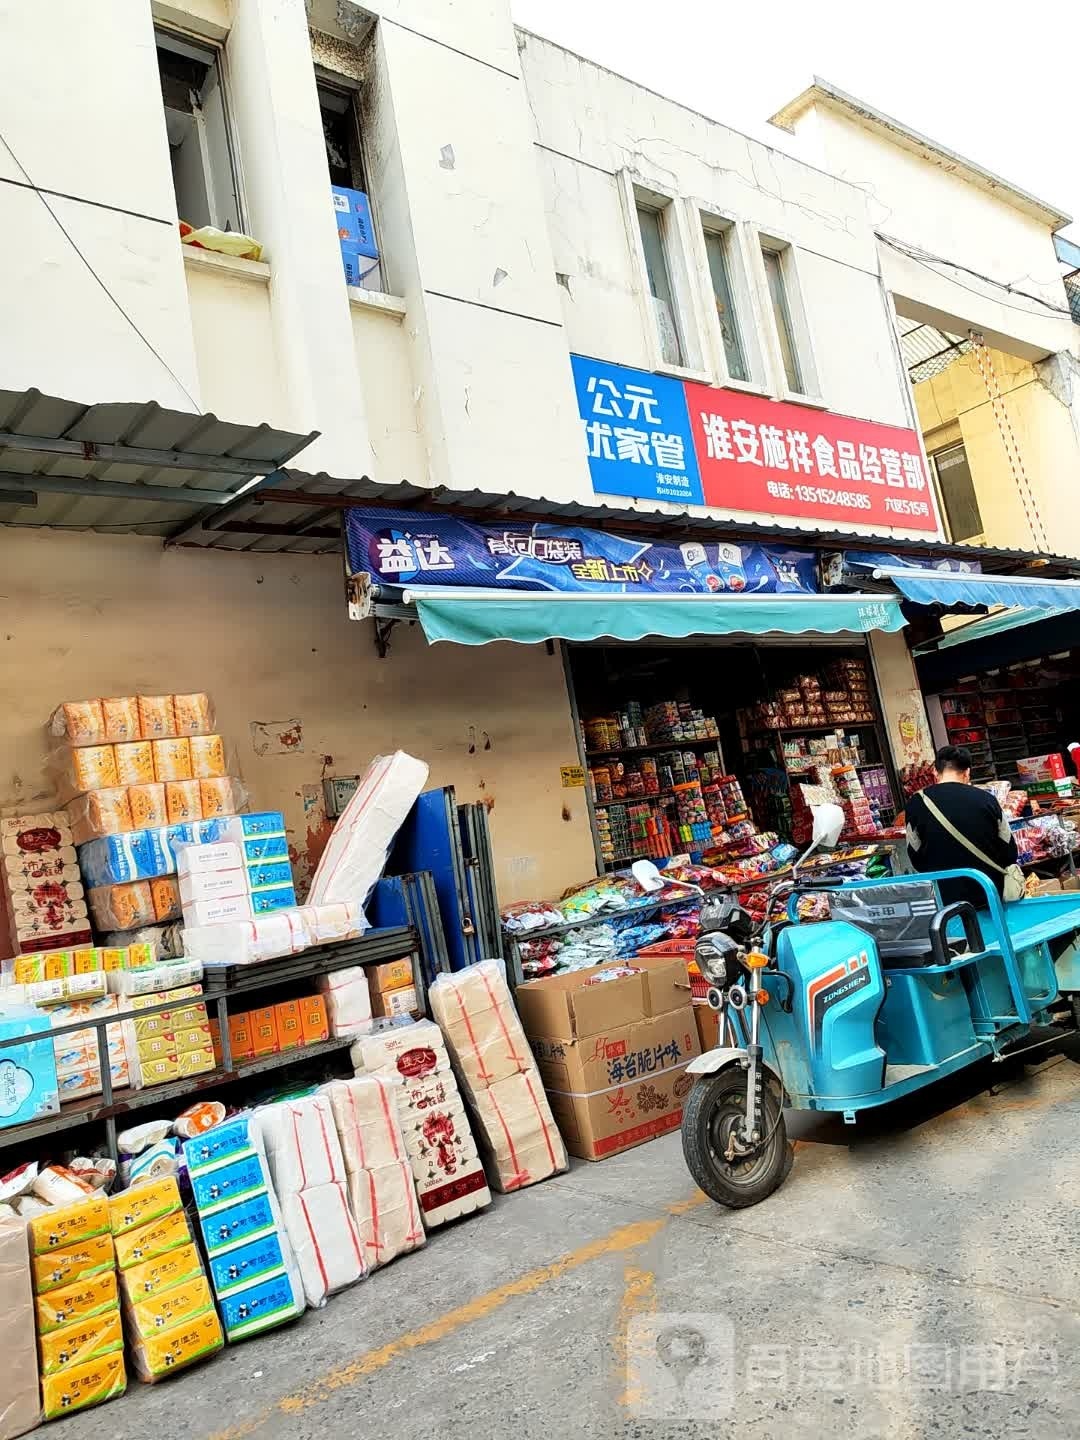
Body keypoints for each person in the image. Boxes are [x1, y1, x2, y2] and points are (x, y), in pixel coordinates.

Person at [905, 744, 1018, 907]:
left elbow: (915, 854)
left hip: (946, 897)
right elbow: (1009, 850)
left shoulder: (916, 803)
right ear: (967, 772)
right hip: (990, 892)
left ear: (935, 772)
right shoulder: (987, 800)